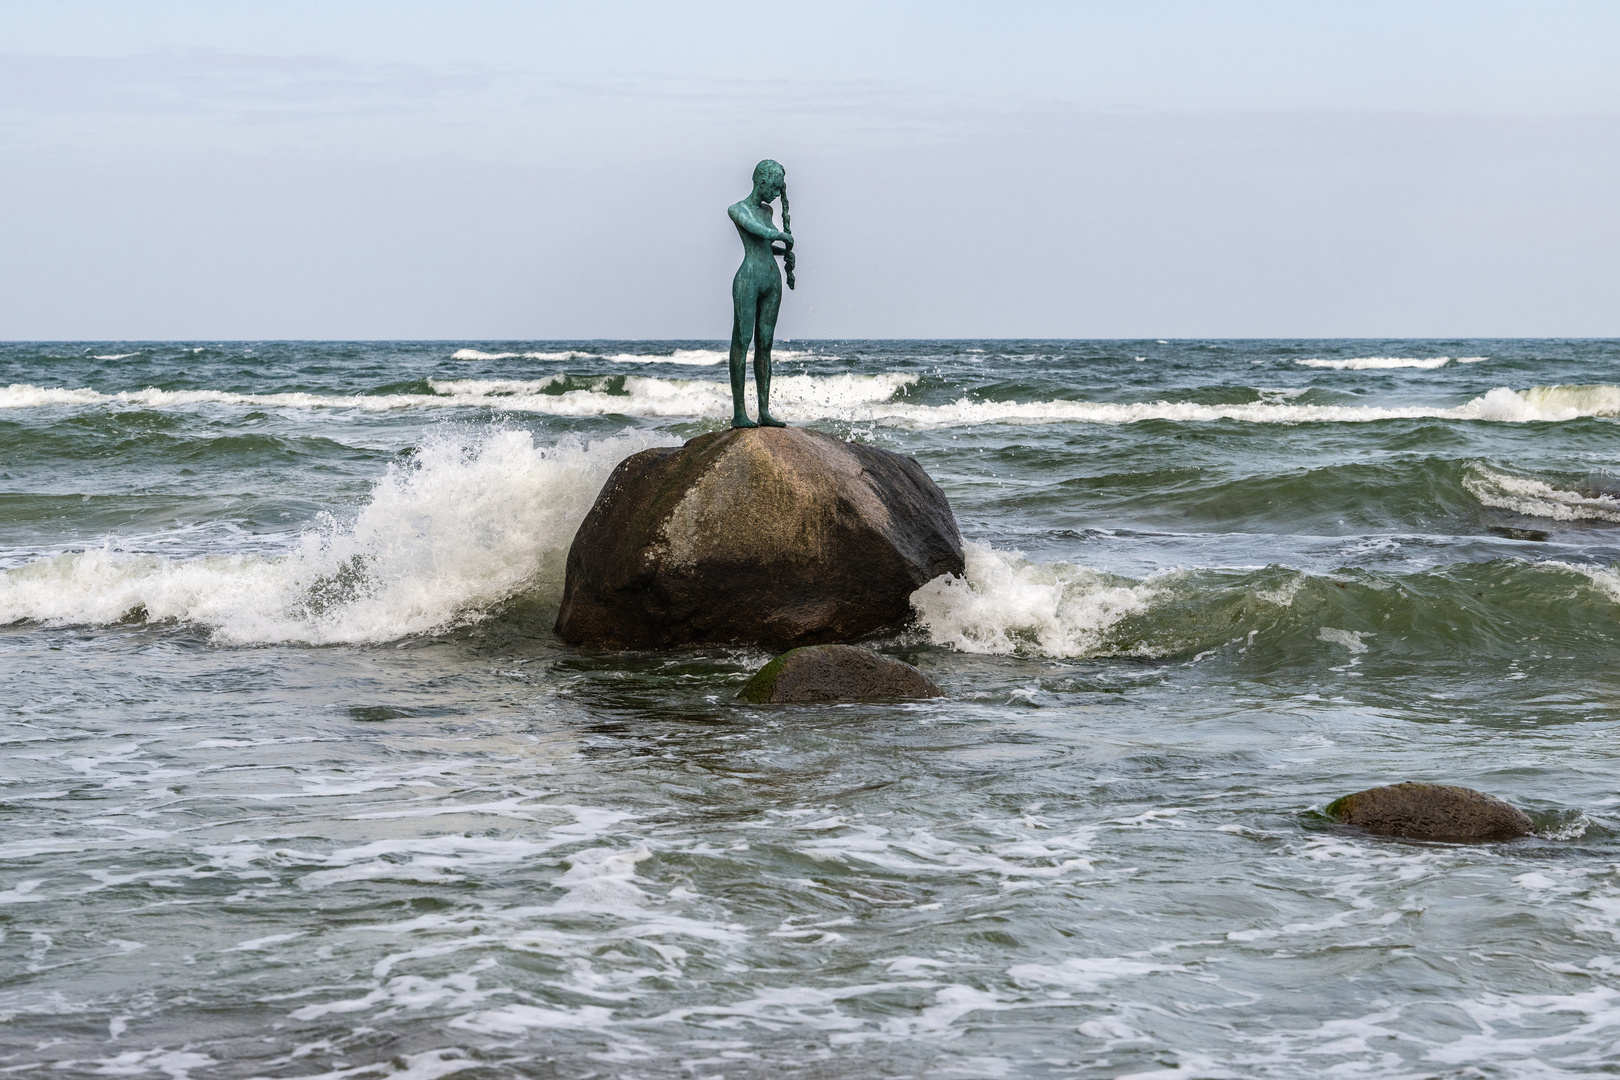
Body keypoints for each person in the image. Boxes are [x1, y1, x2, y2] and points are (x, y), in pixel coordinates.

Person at [727, 159, 795, 428]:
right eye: (775, 188)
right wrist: (782, 235)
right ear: (763, 182)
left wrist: (785, 253)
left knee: (765, 344)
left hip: (772, 282)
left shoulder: (767, 211)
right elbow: (758, 231)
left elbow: (766, 243)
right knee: (742, 341)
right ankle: (739, 413)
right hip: (748, 280)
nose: (778, 195)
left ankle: (764, 411)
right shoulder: (737, 209)